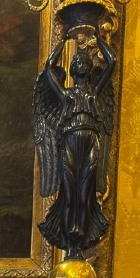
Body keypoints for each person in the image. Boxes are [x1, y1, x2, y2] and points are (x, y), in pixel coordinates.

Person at [34, 26, 115, 261]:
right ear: (72, 68)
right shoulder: (66, 95)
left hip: (91, 142)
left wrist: (99, 37)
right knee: (69, 192)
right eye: (77, 61)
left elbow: (112, 62)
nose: (81, 63)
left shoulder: (94, 92)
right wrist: (62, 39)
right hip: (69, 142)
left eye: (84, 61)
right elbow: (49, 68)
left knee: (85, 193)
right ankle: (69, 242)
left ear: (89, 68)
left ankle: (80, 240)